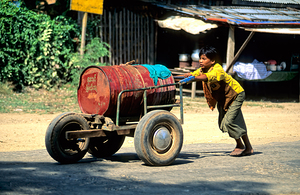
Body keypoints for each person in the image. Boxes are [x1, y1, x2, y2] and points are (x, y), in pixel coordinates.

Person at [183, 46, 254, 156]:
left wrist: (194, 78)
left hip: (235, 95)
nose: (200, 61)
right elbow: (196, 74)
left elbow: (208, 77)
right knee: (226, 123)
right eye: (200, 58)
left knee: (229, 122)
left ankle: (240, 145)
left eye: (204, 58)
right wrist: (189, 76)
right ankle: (248, 147)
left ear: (212, 61)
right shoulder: (202, 70)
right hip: (223, 98)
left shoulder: (218, 69)